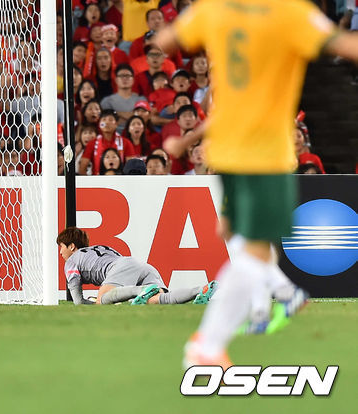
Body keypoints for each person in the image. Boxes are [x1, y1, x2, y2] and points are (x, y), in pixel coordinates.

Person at [157, 0, 358, 369]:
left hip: (227, 153)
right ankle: (211, 343)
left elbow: (164, 40)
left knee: (237, 236)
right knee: (253, 252)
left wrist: (185, 142)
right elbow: (346, 46)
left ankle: (278, 295)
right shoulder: (289, 13)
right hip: (266, 153)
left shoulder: (214, 9)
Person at [57, 227, 217, 305]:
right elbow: (123, 267)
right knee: (156, 300)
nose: (60, 252)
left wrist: (93, 301)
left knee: (103, 299)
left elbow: (78, 301)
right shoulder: (98, 249)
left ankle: (142, 290)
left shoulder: (71, 261)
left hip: (120, 267)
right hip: (139, 265)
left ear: (71, 246)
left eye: (61, 247)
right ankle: (201, 290)